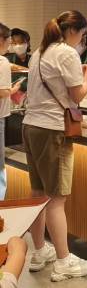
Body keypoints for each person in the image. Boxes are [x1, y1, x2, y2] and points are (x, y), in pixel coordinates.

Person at [23, 11, 87, 281]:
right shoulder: (67, 53)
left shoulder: (39, 52)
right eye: (83, 34)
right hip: (52, 130)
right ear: (73, 31)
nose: (82, 39)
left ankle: (39, 252)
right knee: (56, 199)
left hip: (31, 126)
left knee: (37, 193)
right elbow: (76, 95)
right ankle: (64, 261)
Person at [0, 24, 22, 199]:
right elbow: (2, 92)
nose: (11, 44)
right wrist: (14, 90)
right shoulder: (3, 62)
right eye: (10, 40)